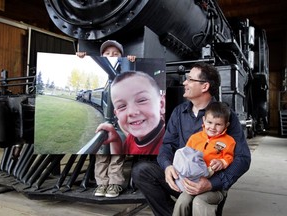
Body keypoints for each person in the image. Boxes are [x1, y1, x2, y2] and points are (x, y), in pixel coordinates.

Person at [131, 62, 251, 216]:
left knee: (199, 203)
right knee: (142, 171)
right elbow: (167, 145)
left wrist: (211, 184)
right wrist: (167, 167)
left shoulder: (226, 116)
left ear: (204, 86)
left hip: (208, 185)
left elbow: (243, 158)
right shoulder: (178, 112)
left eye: (189, 79)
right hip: (181, 179)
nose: (184, 82)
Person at [77, 40, 135, 198]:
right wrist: (80, 56)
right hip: (107, 120)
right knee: (101, 155)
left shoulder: (125, 73)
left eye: (116, 54)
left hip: (119, 121)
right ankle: (102, 184)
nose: (111, 56)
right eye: (107, 54)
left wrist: (132, 61)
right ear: (101, 56)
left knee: (117, 155)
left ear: (121, 57)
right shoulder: (105, 79)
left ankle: (114, 184)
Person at [172, 101, 236, 215]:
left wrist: (222, 162)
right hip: (193, 182)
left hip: (215, 187)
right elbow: (185, 156)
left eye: (218, 124)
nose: (212, 127)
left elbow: (229, 157)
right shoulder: (194, 138)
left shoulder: (229, 141)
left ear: (226, 125)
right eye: (209, 122)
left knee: (199, 201)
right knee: (182, 200)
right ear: (203, 121)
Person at [96, 71, 165, 155]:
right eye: (122, 106)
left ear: (161, 105)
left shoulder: (169, 145)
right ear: (116, 114)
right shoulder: (132, 137)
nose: (132, 112)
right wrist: (115, 140)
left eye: (142, 100)